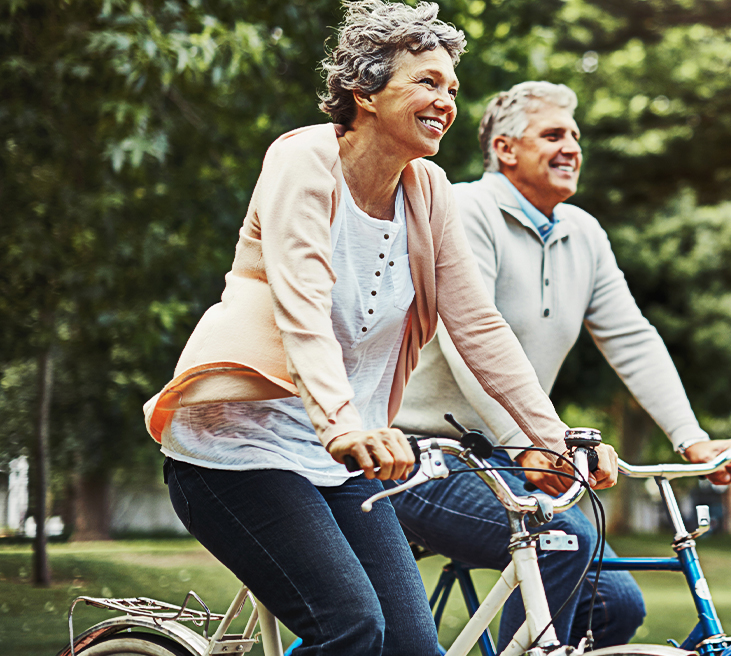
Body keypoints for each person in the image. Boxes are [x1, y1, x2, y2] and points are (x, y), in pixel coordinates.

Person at [141, 7, 617, 655]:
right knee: (352, 628)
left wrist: (555, 438)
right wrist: (344, 425)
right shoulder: (304, 160)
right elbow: (301, 305)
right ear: (364, 93)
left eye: (450, 87)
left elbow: (478, 328)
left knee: (412, 647)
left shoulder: (428, 190)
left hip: (343, 464)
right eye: (426, 82)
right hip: (238, 452)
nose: (444, 101)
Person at [391, 81, 731, 649]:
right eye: (554, 134)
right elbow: (468, 339)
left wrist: (691, 439)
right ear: (506, 149)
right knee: (562, 538)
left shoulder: (584, 233)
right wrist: (531, 441)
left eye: (576, 136)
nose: (572, 147)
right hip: (417, 456)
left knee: (617, 604)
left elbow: (632, 338)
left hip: (507, 457)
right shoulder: (465, 208)